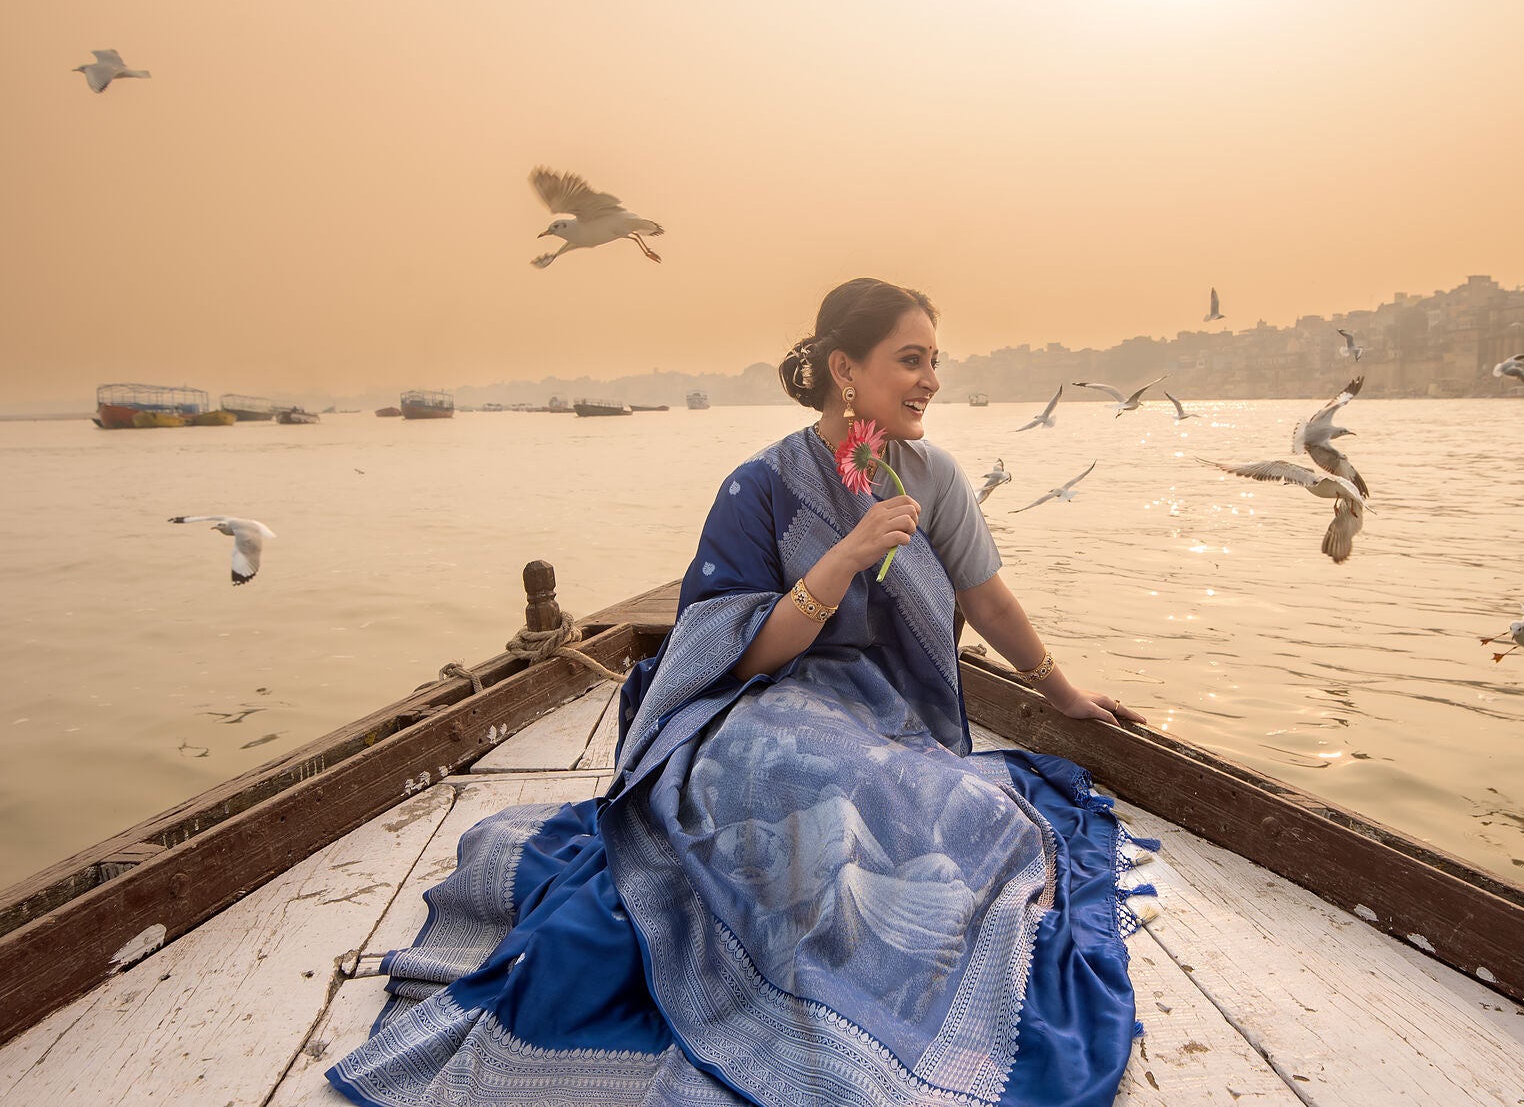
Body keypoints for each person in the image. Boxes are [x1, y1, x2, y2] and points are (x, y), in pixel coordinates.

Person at [328, 278, 1149, 1107]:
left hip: (886, 710)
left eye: (936, 360)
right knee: (792, 790)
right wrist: (847, 555)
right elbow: (736, 655)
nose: (930, 378)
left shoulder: (933, 479)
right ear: (845, 369)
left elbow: (989, 601)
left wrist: (1062, 692)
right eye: (910, 360)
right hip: (763, 701)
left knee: (968, 824)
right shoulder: (760, 484)